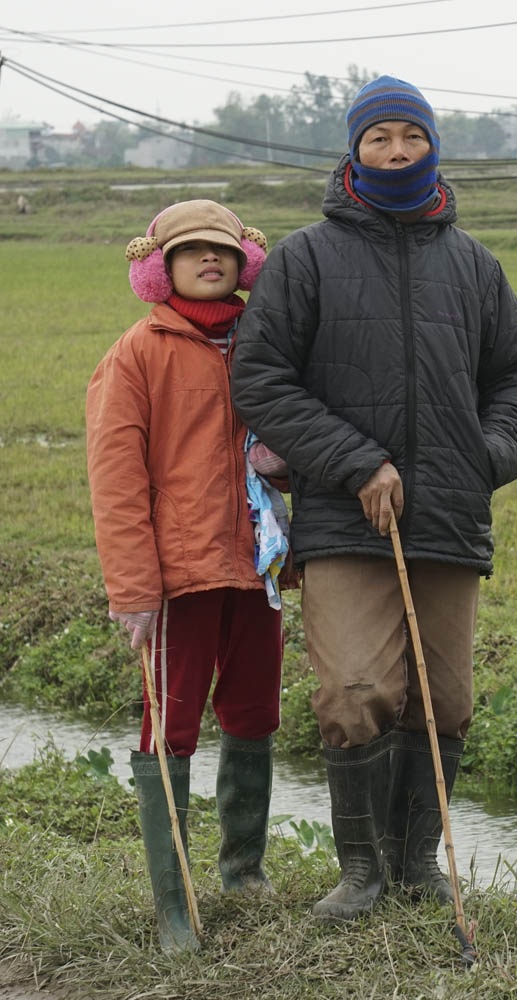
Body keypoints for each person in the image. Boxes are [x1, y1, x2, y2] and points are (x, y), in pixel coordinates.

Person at [231, 76, 517, 922]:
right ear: (353, 149)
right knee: (356, 689)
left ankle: (414, 868)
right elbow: (259, 379)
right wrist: (356, 461)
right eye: (379, 137)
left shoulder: (474, 264)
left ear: (433, 144)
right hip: (345, 516)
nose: (396, 150)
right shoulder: (307, 257)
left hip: (449, 513)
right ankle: (361, 873)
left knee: (442, 699)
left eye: (411, 134)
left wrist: (486, 455)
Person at [86, 199, 290, 952]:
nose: (211, 260)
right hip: (177, 579)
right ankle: (174, 908)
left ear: (246, 265)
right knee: (168, 729)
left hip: (257, 567)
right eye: (192, 251)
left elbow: (291, 436)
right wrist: (134, 591)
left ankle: (243, 872)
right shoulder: (137, 352)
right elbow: (115, 483)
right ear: (158, 268)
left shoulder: (263, 345)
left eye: (223, 251)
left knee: (254, 716)